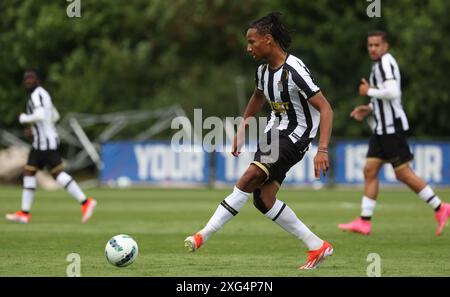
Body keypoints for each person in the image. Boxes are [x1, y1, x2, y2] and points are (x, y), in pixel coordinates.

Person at [184, 12, 334, 269]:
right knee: (263, 199)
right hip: (275, 134)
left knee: (248, 178)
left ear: (268, 40)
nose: (248, 47)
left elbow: (326, 109)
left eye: (252, 41)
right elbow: (257, 96)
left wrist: (322, 149)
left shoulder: (294, 71)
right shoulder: (263, 71)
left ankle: (203, 235)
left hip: (294, 136)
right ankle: (317, 246)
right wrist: (243, 127)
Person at [338, 30, 450, 236]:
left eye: (377, 45)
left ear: (386, 46)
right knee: (370, 170)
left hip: (391, 129)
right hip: (381, 128)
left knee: (403, 174)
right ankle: (364, 221)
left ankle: (441, 207)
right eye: (370, 45)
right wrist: (369, 107)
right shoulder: (378, 65)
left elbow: (393, 92)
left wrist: (368, 92)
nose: (373, 48)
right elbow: (385, 96)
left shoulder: (385, 63)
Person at [5, 69, 97, 224]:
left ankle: (85, 202)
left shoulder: (37, 95)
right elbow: (55, 116)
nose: (28, 81)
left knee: (54, 174)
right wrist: (37, 129)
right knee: (31, 173)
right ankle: (24, 213)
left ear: (38, 80)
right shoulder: (44, 94)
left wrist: (24, 118)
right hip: (43, 142)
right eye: (26, 79)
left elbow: (40, 115)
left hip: (44, 144)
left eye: (31, 78)